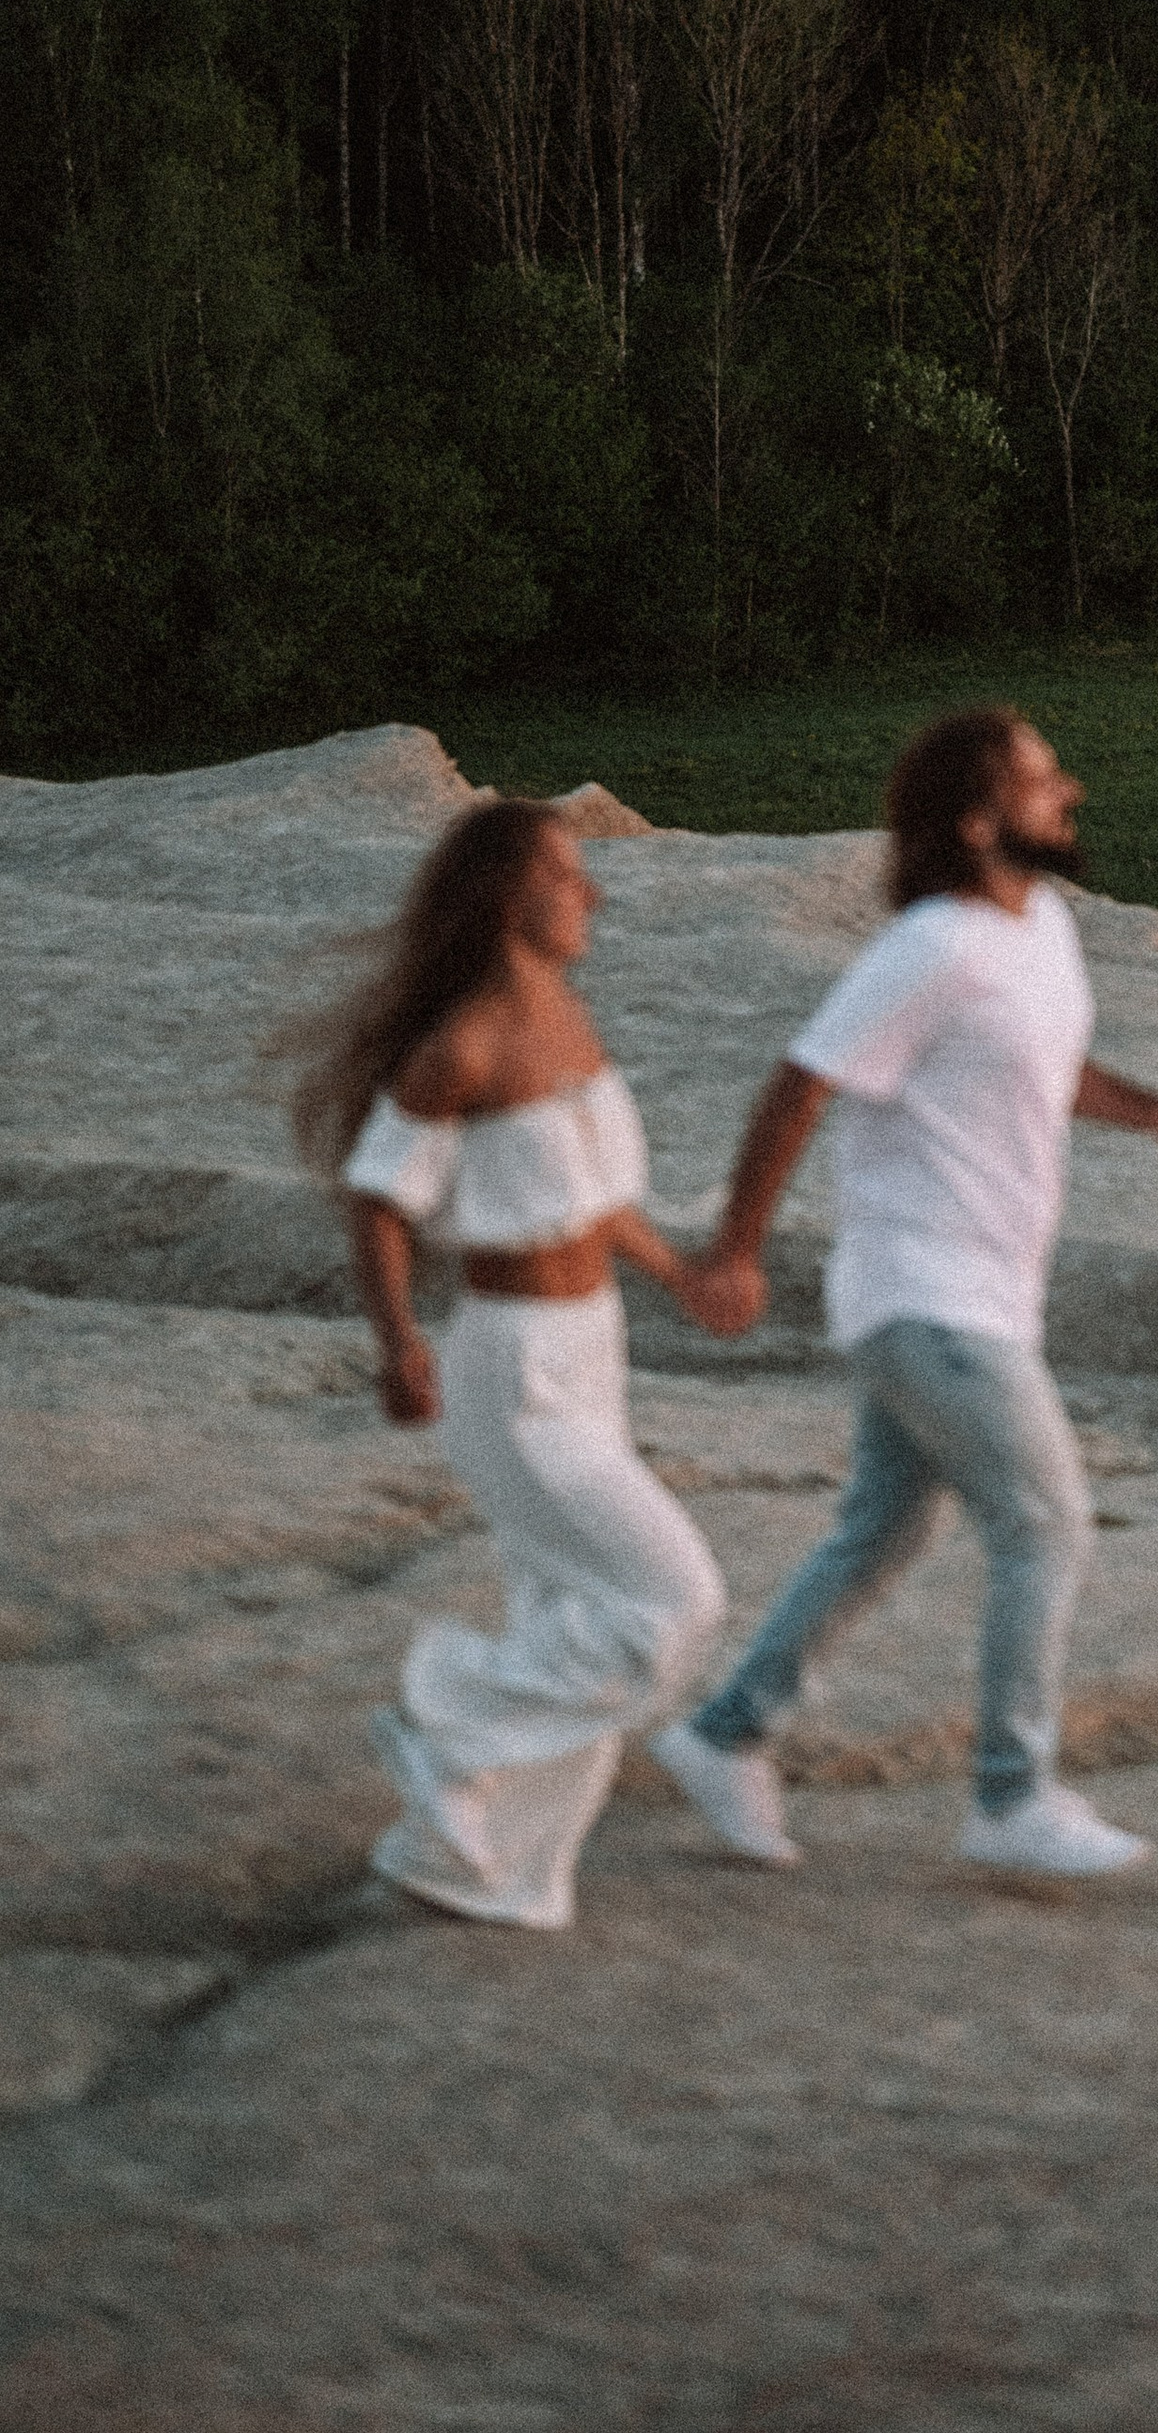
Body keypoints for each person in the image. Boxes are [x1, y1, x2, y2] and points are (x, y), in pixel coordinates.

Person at [653, 706, 1158, 1882]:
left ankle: (726, 1734)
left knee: (884, 1523)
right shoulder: (931, 946)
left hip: (980, 1291)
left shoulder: (1040, 930)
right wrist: (733, 1250)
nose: (1067, 788)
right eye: (1038, 779)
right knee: (1046, 1521)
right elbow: (801, 1082)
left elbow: (1047, 1064)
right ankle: (1011, 1796)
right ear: (978, 822)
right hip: (925, 1292)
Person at [291, 797, 749, 1931]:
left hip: (594, 1350)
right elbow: (381, 1199)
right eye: (566, 875)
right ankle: (445, 1724)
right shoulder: (465, 1046)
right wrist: (397, 1340)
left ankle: (478, 1860)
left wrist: (680, 1272)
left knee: (571, 1612)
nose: (590, 893)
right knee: (674, 1597)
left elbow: (595, 1199)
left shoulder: (565, 1012)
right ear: (508, 896)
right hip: (514, 1372)